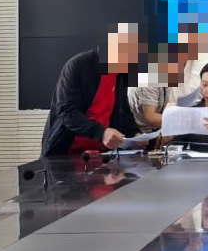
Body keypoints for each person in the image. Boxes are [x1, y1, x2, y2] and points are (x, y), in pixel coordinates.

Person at [40, 23, 142, 156]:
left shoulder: (121, 73)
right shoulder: (79, 65)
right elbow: (67, 111)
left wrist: (135, 135)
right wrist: (101, 133)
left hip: (103, 153)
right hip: (67, 152)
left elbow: (123, 111)